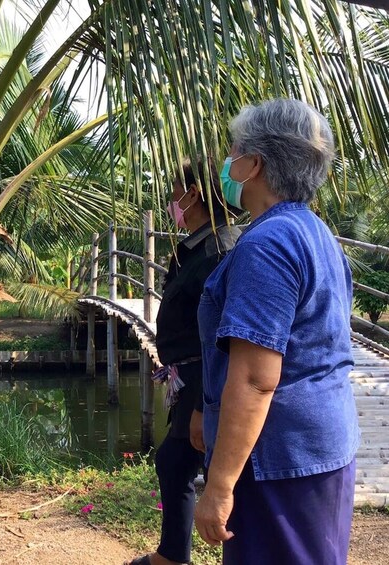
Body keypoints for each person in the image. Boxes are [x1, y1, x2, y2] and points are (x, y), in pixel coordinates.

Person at [194, 98, 360, 564]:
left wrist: (220, 486)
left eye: (233, 151)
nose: (226, 161)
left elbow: (254, 378)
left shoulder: (266, 245)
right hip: (321, 444)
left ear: (254, 164)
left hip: (278, 459)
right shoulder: (315, 233)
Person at [126, 157, 240, 565]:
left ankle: (186, 555)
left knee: (202, 467)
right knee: (176, 463)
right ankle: (173, 554)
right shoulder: (195, 245)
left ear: (192, 195)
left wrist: (200, 405)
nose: (172, 201)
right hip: (188, 375)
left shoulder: (220, 249)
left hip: (205, 377)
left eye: (175, 193)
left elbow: (223, 339)